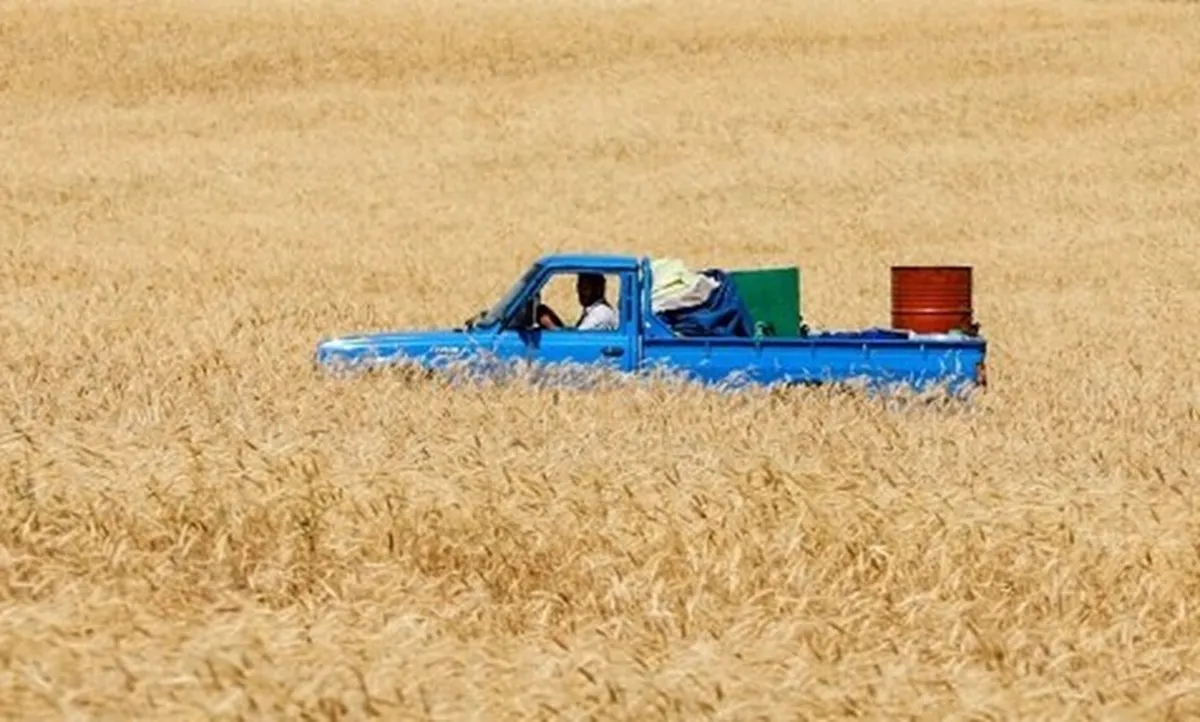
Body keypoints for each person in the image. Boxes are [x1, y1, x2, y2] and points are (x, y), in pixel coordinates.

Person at [537, 272, 618, 331]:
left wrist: (551, 326)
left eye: (585, 289)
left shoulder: (600, 313)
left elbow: (577, 339)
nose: (580, 293)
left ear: (598, 290)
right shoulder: (591, 310)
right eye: (579, 287)